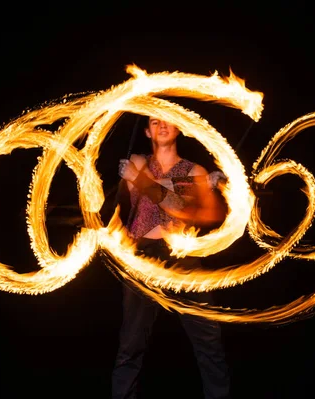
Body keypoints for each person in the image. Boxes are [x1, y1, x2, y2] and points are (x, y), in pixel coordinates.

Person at [110, 116, 231, 399]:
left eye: (168, 121)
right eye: (154, 121)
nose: (162, 125)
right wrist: (198, 185)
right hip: (142, 258)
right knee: (130, 344)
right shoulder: (138, 162)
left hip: (183, 258)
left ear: (178, 128)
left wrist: (199, 184)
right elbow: (170, 194)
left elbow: (181, 209)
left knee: (209, 340)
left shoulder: (194, 169)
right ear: (146, 131)